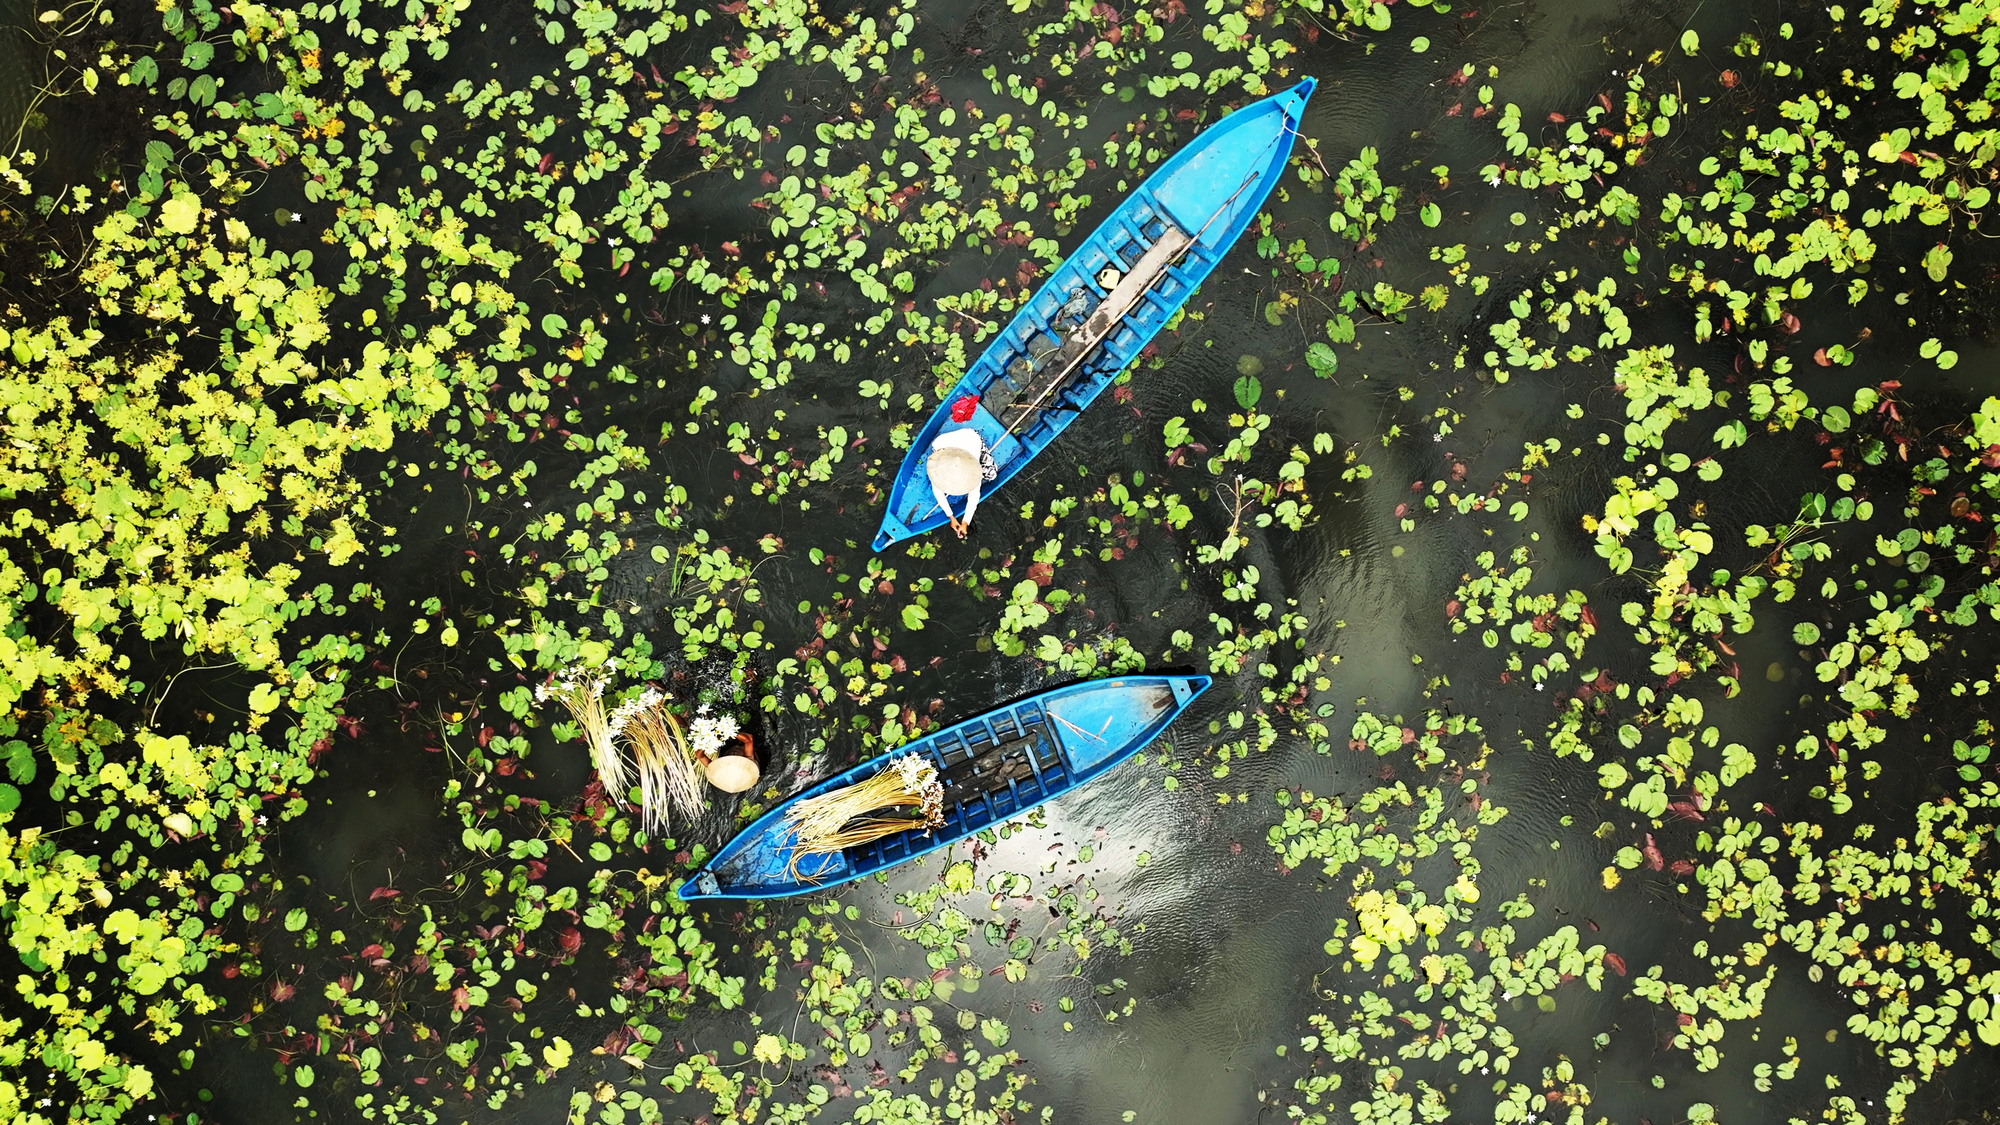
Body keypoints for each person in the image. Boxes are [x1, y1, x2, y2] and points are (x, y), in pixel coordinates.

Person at [927, 401, 991, 537]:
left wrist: (964, 521)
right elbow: (937, 491)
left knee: (990, 475)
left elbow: (974, 497)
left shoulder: (972, 468)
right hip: (944, 444)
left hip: (969, 439)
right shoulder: (941, 468)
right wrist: (952, 517)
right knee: (990, 475)